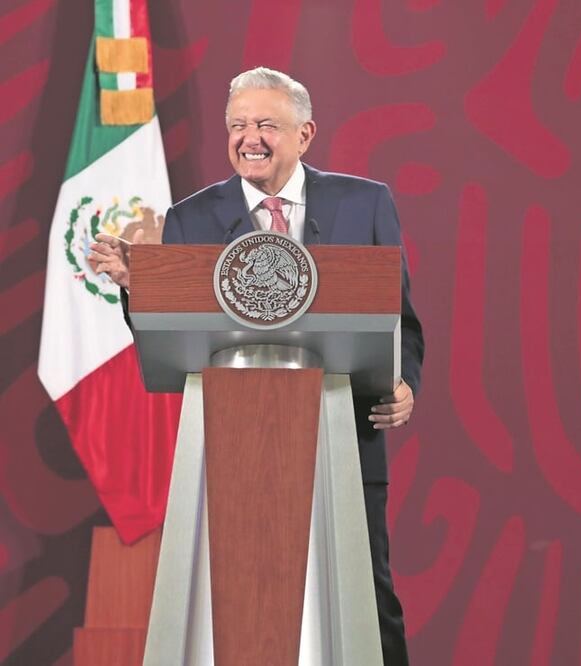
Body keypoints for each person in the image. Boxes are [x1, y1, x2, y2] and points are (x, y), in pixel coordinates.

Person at [89, 67, 422, 666]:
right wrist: (140, 287)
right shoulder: (191, 218)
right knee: (235, 603)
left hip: (345, 435)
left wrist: (404, 384)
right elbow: (173, 332)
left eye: (267, 124)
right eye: (238, 125)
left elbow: (400, 317)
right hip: (232, 445)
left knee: (366, 599)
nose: (250, 138)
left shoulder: (365, 202)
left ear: (305, 134)